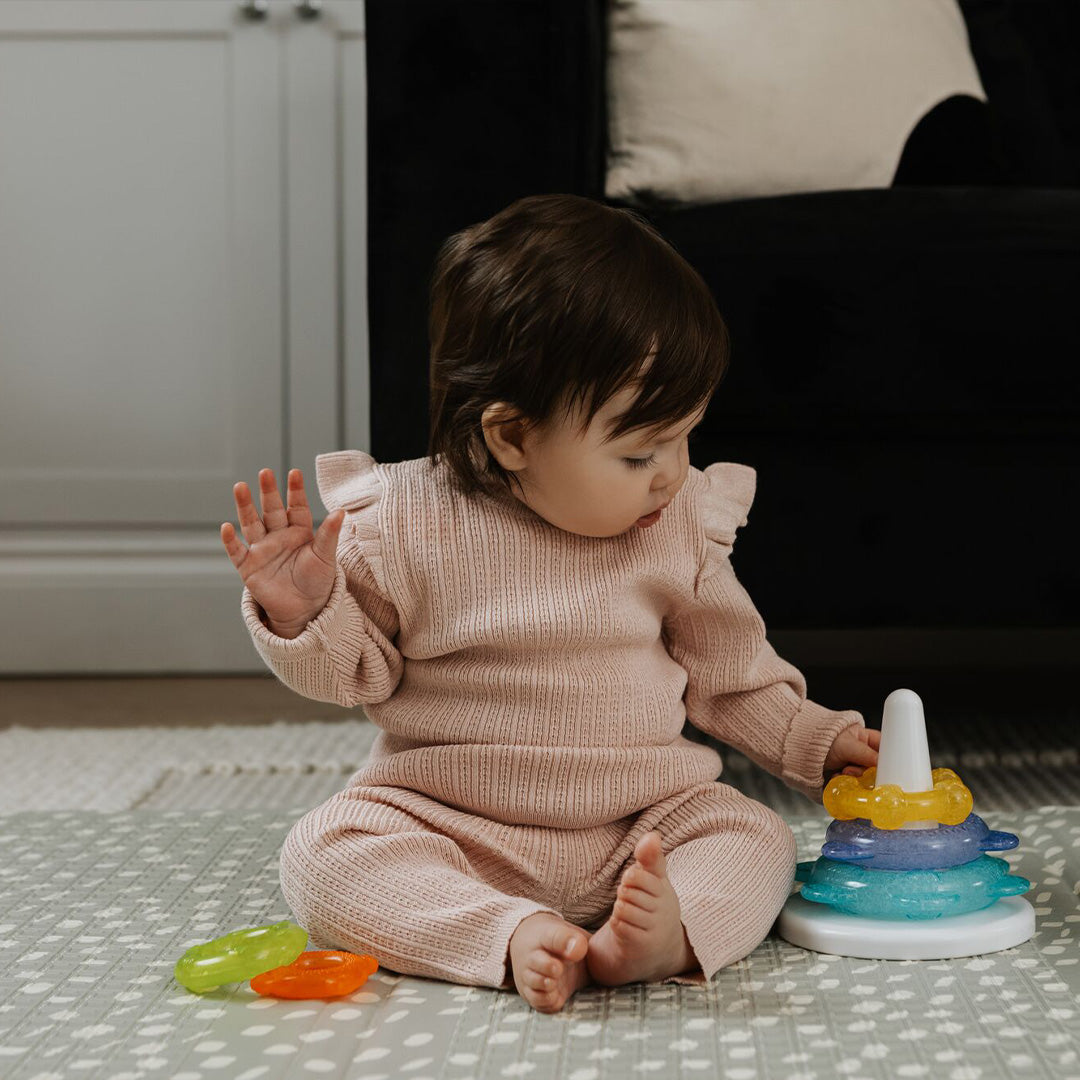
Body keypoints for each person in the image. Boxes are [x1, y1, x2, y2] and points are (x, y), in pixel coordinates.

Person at [220, 193, 880, 1013]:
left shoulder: (674, 526)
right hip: (449, 819)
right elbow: (356, 676)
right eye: (640, 451)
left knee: (756, 837)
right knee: (322, 853)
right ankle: (506, 932)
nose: (673, 473)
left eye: (684, 437)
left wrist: (820, 743)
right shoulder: (397, 524)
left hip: (640, 824)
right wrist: (308, 611)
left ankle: (671, 936)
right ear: (514, 436)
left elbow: (732, 675)